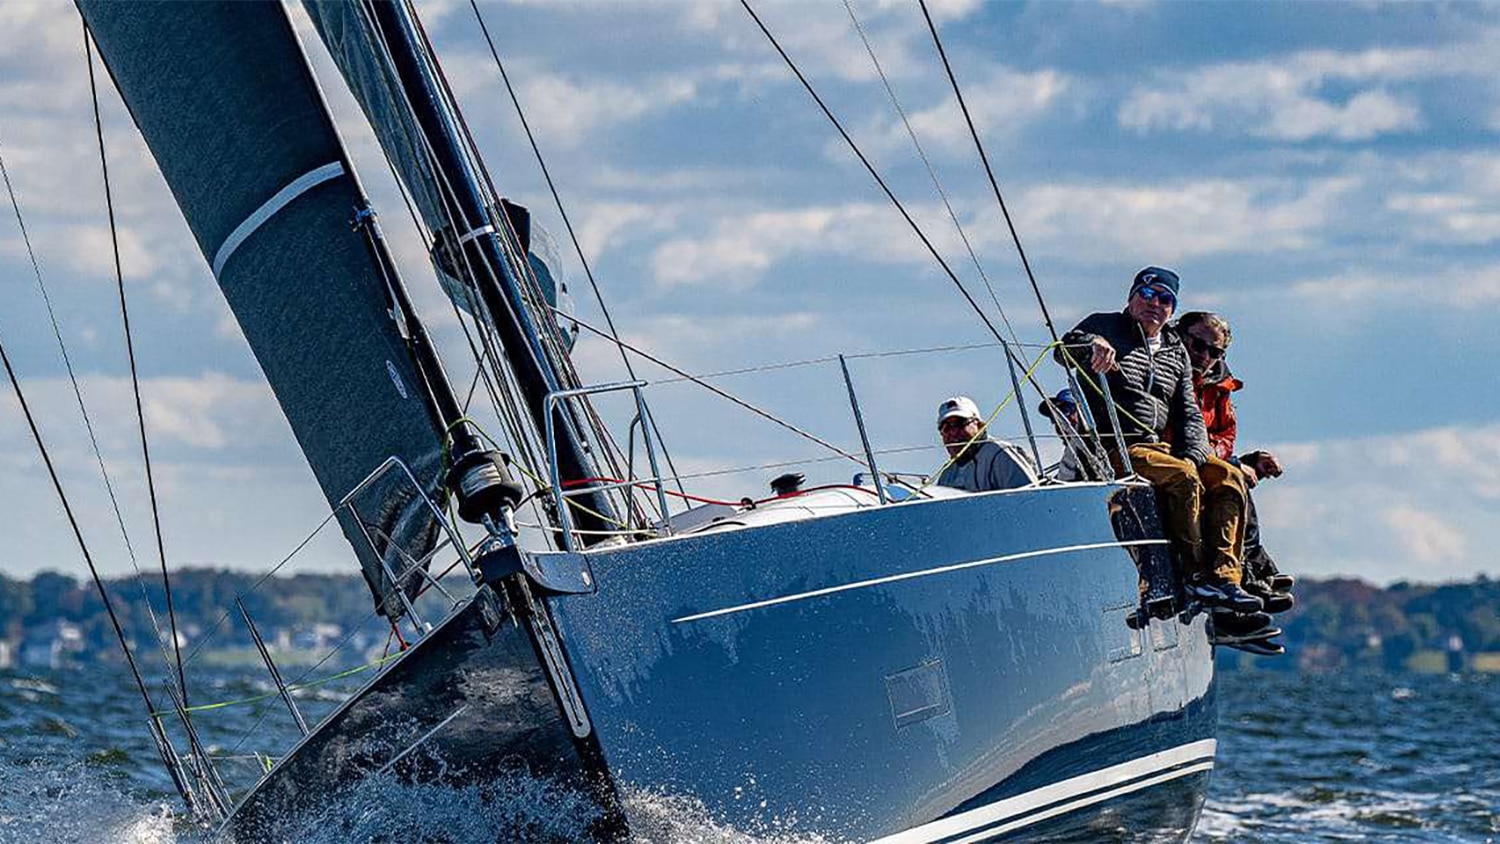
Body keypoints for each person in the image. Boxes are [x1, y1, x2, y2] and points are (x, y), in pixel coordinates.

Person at [1057, 267, 1259, 613]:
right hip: (1118, 446)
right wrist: (1093, 344)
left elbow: (1188, 412)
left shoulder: (1175, 349)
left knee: (1229, 477)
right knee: (1182, 478)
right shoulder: (1105, 326)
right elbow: (1063, 350)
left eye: (1165, 299)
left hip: (1161, 447)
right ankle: (1196, 577)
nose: (1154, 303)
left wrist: (1196, 452)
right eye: (1146, 295)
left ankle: (1225, 579)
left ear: (1172, 310)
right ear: (1131, 297)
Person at [1176, 311, 1296, 615]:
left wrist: (1246, 461)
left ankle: (1248, 575)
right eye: (1197, 345)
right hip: (1179, 457)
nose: (1205, 356)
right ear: (1180, 337)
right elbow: (1175, 430)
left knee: (1233, 478)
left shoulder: (1219, 383)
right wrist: (1231, 461)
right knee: (1229, 477)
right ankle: (1247, 575)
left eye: (1215, 352)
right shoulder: (1172, 373)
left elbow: (1224, 433)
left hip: (1207, 457)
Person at [934, 396, 1039, 492]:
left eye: (960, 424)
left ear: (979, 425)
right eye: (946, 427)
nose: (953, 432)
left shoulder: (999, 454)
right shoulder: (947, 474)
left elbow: (1031, 499)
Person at [1037, 388, 1104, 482]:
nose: (1062, 421)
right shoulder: (1070, 455)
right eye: (1055, 417)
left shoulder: (1096, 443)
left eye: (1066, 410)